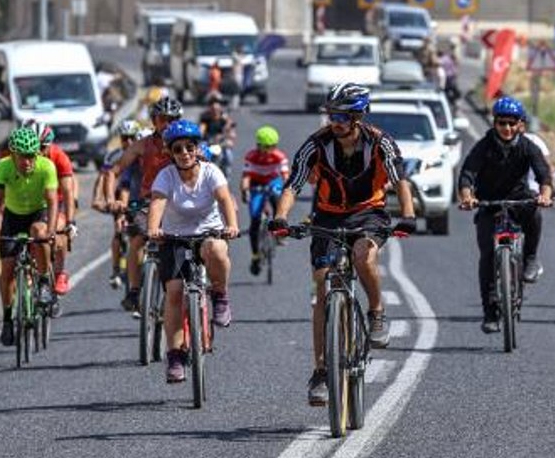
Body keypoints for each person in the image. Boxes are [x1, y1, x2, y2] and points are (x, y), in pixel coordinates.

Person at [269, 83, 416, 406]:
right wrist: (280, 217)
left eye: (341, 116)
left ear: (358, 116)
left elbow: (399, 178)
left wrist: (407, 214)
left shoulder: (380, 142)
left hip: (368, 213)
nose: (333, 121)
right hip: (328, 216)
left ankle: (376, 312)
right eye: (331, 114)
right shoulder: (316, 145)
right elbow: (294, 183)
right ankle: (321, 371)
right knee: (322, 286)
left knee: (363, 256)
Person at [147, 120, 239, 382]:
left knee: (217, 249)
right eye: (178, 149)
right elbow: (157, 204)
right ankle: (175, 355)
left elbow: (224, 199)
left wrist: (231, 225)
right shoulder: (166, 176)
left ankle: (220, 295)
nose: (184, 153)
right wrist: (154, 228)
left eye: (190, 147)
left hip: (208, 233)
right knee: (174, 292)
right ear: (170, 152)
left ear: (198, 148)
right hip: (175, 237)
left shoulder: (211, 172)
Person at [459, 97, 554, 333]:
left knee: (535, 213)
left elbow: (544, 174)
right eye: (502, 123)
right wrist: (467, 197)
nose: (507, 128)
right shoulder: (484, 145)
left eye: (512, 123)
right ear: (494, 123)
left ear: (521, 124)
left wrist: (544, 195)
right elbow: (467, 174)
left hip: (519, 199)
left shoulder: (527, 146)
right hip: (489, 202)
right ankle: (490, 313)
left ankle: (530, 258)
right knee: (488, 256)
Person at [105, 96, 181, 313]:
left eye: (171, 120)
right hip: (148, 201)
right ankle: (135, 291)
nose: (166, 124)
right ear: (154, 121)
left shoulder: (184, 145)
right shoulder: (142, 145)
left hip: (178, 204)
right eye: (162, 119)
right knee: (138, 236)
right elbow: (114, 171)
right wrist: (112, 199)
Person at [0, 126, 60, 346]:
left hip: (39, 212)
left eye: (30, 156)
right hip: (13, 216)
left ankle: (44, 281)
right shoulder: (3, 167)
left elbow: (53, 201)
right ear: (12, 154)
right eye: (21, 157)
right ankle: (8, 319)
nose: (26, 162)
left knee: (40, 233)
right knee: (7, 271)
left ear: (37, 154)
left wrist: (52, 230)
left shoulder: (47, 167)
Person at [23, 119, 77, 299]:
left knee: (59, 230)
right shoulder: (19, 158)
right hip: (30, 202)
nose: (38, 152)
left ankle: (60, 272)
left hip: (56, 201)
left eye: (43, 146)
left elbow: (68, 192)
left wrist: (71, 222)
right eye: (34, 146)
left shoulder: (59, 157)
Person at [94, 119, 145, 289]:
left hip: (143, 198)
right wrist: (99, 198)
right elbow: (104, 177)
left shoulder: (143, 154)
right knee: (118, 228)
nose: (128, 142)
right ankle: (116, 269)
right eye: (125, 138)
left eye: (132, 138)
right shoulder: (115, 155)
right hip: (121, 196)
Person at [240, 124, 289, 275]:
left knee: (277, 198)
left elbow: (286, 176)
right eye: (265, 147)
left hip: (273, 182)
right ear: (258, 145)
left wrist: (287, 191)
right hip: (256, 184)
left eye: (272, 146)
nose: (269, 150)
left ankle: (279, 229)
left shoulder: (279, 156)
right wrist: (245, 190)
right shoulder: (251, 156)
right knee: (255, 219)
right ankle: (255, 256)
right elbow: (246, 177)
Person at [199, 93, 237, 177]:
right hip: (208, 141)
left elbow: (231, 131)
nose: (215, 111)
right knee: (202, 156)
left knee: (228, 155)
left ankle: (226, 176)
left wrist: (228, 136)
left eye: (217, 108)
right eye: (212, 107)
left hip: (221, 142)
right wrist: (200, 135)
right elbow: (201, 131)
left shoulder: (224, 118)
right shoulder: (205, 118)